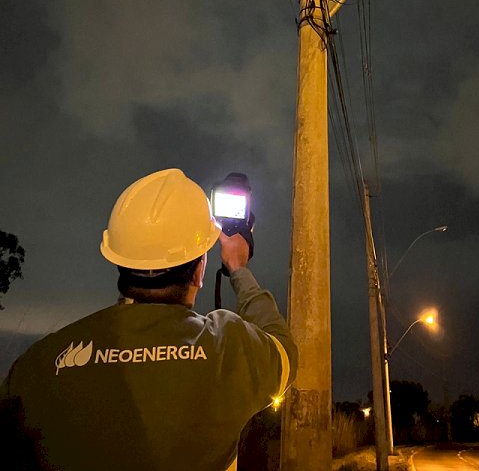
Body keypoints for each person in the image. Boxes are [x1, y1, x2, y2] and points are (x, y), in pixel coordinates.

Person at [0, 168, 297, 471]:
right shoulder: (230, 346)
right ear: (199, 271)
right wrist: (238, 268)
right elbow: (283, 348)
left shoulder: (38, 366)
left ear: (119, 259)